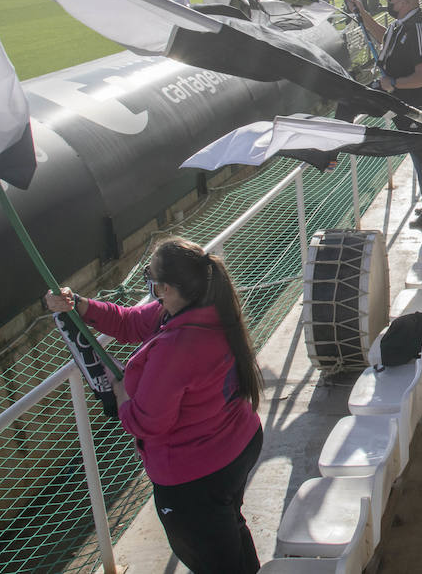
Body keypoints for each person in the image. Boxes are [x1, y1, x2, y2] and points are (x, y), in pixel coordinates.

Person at [43, 238, 264, 574]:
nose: (151, 285)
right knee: (229, 528)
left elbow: (148, 422)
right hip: (237, 445)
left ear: (167, 288)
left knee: (215, 561)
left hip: (196, 478)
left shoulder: (177, 346)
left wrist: (120, 395)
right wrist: (79, 305)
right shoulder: (206, 307)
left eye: (151, 277)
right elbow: (129, 322)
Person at [351, 0, 422, 232]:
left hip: (421, 109)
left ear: (407, 2)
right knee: (421, 160)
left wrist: (393, 83)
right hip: (406, 108)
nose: (388, 2)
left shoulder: (418, 28)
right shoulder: (400, 25)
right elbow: (383, 37)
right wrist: (363, 14)